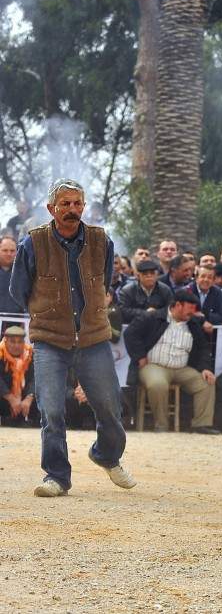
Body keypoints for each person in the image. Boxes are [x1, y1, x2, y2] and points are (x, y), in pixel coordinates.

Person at [8, 178, 135, 496]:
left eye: (77, 203)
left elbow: (103, 283)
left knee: (110, 407)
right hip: (50, 339)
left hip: (93, 337)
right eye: (65, 204)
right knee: (51, 410)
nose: (72, 210)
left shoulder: (100, 239)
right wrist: (48, 314)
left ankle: (106, 455)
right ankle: (57, 476)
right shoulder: (32, 243)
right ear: (51, 208)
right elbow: (18, 290)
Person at [124, 290, 219, 434]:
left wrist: (205, 368)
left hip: (182, 368)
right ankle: (161, 425)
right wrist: (140, 356)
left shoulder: (193, 323)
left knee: (206, 382)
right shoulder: (153, 317)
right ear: (178, 305)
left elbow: (203, 348)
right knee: (158, 384)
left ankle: (201, 424)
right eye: (190, 308)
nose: (193, 312)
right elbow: (130, 333)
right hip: (154, 365)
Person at [0, 325, 36, 425]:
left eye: (20, 342)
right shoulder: (0, 353)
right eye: (12, 341)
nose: (16, 345)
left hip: (25, 400)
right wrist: (10, 398)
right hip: (4, 398)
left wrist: (29, 398)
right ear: (5, 341)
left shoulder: (30, 355)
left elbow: (36, 378)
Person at [118, 259, 173, 323]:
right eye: (145, 274)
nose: (149, 276)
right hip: (134, 325)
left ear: (157, 275)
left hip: (158, 325)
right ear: (138, 276)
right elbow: (123, 311)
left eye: (152, 273)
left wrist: (156, 313)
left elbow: (172, 309)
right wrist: (145, 313)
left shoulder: (165, 290)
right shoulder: (127, 291)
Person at [188, 265, 222, 334]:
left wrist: (202, 316)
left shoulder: (218, 292)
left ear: (213, 280)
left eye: (209, 277)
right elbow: (184, 314)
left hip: (209, 332)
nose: (206, 280)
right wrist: (202, 321)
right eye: (203, 276)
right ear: (196, 278)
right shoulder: (187, 291)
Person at [0, 235, 19, 314]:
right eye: (5, 250)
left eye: (12, 251)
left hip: (18, 322)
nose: (9, 254)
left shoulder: (23, 273)